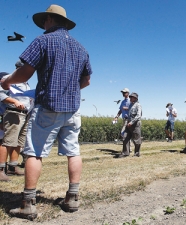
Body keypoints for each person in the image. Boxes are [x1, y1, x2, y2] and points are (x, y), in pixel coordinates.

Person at [1, 4, 92, 219]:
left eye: (44, 20)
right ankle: (73, 197)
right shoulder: (81, 48)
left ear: (49, 20)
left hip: (48, 107)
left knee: (34, 152)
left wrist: (6, 81)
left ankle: (28, 203)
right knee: (73, 151)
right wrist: (68, 90)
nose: (43, 24)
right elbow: (86, 81)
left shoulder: (43, 40)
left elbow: (24, 74)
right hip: (72, 110)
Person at [0, 61, 31, 181]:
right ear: (19, 69)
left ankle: (13, 167)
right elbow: (1, 95)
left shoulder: (25, 83)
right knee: (7, 141)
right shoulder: (8, 79)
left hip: (24, 114)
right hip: (14, 113)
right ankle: (1, 170)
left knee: (18, 142)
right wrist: (14, 102)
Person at [119, 92, 142, 157]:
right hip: (128, 123)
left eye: (131, 97)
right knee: (125, 137)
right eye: (130, 97)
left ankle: (137, 153)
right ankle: (125, 153)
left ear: (135, 98)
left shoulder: (138, 105)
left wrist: (131, 122)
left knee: (136, 139)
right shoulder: (130, 105)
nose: (130, 98)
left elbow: (138, 116)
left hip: (135, 124)